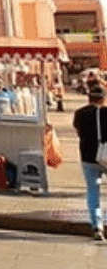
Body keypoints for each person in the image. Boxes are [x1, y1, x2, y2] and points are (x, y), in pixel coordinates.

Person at [73, 82, 107, 240]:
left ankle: (97, 226)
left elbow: (78, 131)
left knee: (93, 191)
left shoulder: (80, 113)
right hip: (106, 156)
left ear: (89, 98)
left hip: (88, 157)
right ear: (103, 99)